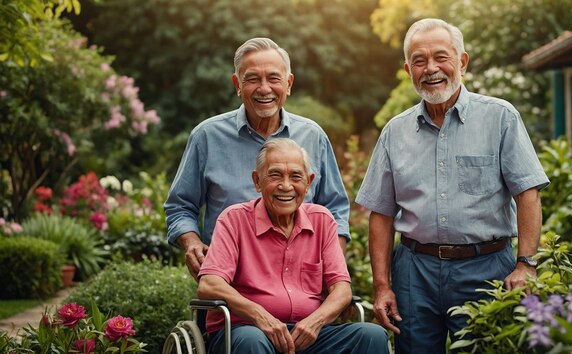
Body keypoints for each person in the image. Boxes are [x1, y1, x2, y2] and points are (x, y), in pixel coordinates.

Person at [355, 18, 550, 353]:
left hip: (486, 268)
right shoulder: (394, 133)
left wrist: (526, 264)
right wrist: (382, 286)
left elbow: (527, 193)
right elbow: (381, 215)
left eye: (441, 57)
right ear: (408, 70)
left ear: (462, 61)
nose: (431, 68)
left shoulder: (500, 118)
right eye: (419, 60)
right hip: (415, 272)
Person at [164, 38, 350, 279]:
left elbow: (335, 210)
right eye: (253, 79)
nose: (264, 88)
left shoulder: (313, 136)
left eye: (273, 78)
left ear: (289, 83)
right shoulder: (207, 137)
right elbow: (180, 206)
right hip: (231, 283)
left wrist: (332, 274)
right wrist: (191, 243)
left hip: (303, 283)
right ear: (237, 84)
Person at [197, 138, 389, 354]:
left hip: (306, 335)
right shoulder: (234, 219)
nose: (286, 186)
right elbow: (209, 285)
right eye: (275, 175)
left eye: (296, 176)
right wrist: (261, 316)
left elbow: (342, 290)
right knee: (252, 340)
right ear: (257, 181)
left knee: (371, 336)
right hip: (247, 331)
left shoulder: (322, 220)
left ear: (308, 183)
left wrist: (314, 322)